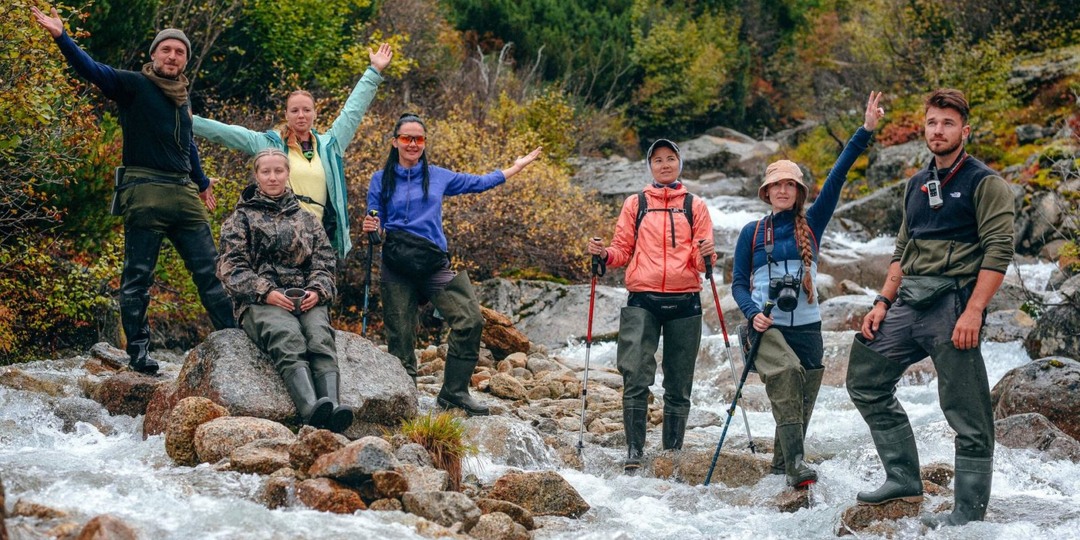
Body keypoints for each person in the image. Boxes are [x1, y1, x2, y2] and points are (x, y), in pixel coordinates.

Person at [31, 7, 235, 374]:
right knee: (139, 276)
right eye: (166, 50)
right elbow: (92, 70)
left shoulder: (183, 96)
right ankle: (138, 352)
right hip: (144, 192)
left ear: (185, 60)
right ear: (154, 54)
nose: (172, 56)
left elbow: (187, 144)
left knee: (212, 271)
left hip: (184, 194)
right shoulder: (132, 85)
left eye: (180, 52)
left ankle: (234, 339)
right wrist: (63, 37)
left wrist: (203, 183)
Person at [846, 89, 1014, 527]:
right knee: (864, 376)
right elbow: (903, 249)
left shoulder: (985, 183)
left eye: (948, 123)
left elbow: (998, 251)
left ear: (965, 130)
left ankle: (967, 514)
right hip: (908, 303)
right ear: (924, 127)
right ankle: (902, 476)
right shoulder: (916, 184)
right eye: (932, 123)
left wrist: (974, 311)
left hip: (953, 305)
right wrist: (882, 301)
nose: (938, 131)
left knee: (967, 412)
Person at [732, 92, 884, 489]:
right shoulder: (751, 233)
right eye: (775, 186)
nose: (783, 191)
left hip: (809, 327)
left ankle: (783, 469)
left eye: (790, 185)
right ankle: (798, 462)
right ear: (766, 193)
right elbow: (737, 285)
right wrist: (752, 314)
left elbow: (838, 175)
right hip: (766, 327)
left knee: (801, 400)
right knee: (785, 372)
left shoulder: (813, 223)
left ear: (799, 192)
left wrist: (864, 131)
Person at [363, 113, 542, 416]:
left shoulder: (438, 175)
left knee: (470, 320)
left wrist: (516, 167)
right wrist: (372, 227)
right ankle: (405, 403)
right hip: (397, 264)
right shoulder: (381, 179)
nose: (412, 144)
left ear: (424, 142)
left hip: (433, 262)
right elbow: (374, 221)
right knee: (400, 338)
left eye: (418, 139)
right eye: (406, 138)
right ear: (395, 142)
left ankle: (454, 393)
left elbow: (480, 183)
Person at [586, 138, 715, 473]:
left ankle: (671, 452)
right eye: (658, 160)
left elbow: (704, 263)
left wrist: (707, 256)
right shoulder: (636, 204)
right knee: (635, 376)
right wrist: (602, 255)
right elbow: (621, 251)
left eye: (671, 159)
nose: (665, 164)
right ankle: (634, 450)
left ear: (679, 164)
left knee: (679, 382)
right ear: (650, 166)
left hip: (685, 301)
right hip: (642, 299)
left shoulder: (694, 205)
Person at [192, 44, 393, 259]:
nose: (301, 115)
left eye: (307, 110)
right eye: (295, 110)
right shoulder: (269, 144)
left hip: (319, 239)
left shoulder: (329, 146)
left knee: (318, 290)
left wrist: (373, 72)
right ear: (286, 114)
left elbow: (352, 111)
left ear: (315, 113)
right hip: (279, 237)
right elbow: (226, 133)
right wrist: (187, 120)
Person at [217, 149, 352, 432]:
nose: (273, 177)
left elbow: (325, 261)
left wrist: (317, 290)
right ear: (256, 176)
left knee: (319, 338)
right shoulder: (240, 219)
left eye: (279, 171)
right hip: (259, 302)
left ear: (288, 174)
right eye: (265, 172)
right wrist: (266, 292)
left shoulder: (306, 218)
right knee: (288, 337)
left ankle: (333, 407)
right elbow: (231, 268)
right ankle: (311, 411)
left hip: (306, 297)